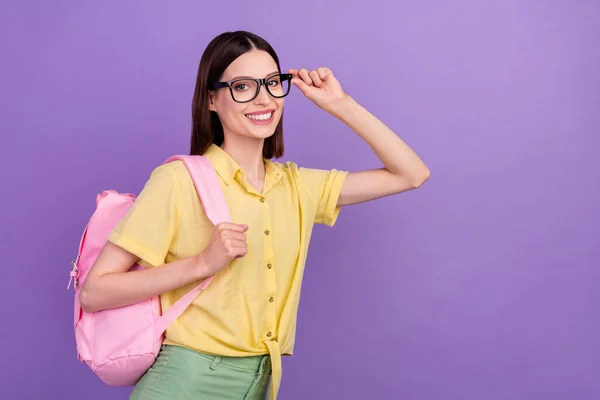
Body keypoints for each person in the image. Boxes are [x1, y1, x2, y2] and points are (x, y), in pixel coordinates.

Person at [79, 30, 430, 400]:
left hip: (263, 380)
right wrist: (202, 263)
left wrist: (339, 103)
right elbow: (95, 291)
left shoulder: (297, 186)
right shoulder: (179, 181)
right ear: (212, 99)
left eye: (272, 83)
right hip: (188, 379)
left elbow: (411, 174)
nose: (264, 99)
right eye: (243, 86)